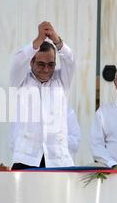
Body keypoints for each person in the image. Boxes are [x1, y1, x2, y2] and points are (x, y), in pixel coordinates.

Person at [10, 21, 75, 170]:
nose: (46, 69)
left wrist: (56, 40)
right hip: (26, 156)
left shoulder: (62, 80)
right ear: (31, 62)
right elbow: (17, 61)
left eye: (51, 64)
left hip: (57, 158)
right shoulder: (20, 81)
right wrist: (39, 40)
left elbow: (70, 59)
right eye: (41, 64)